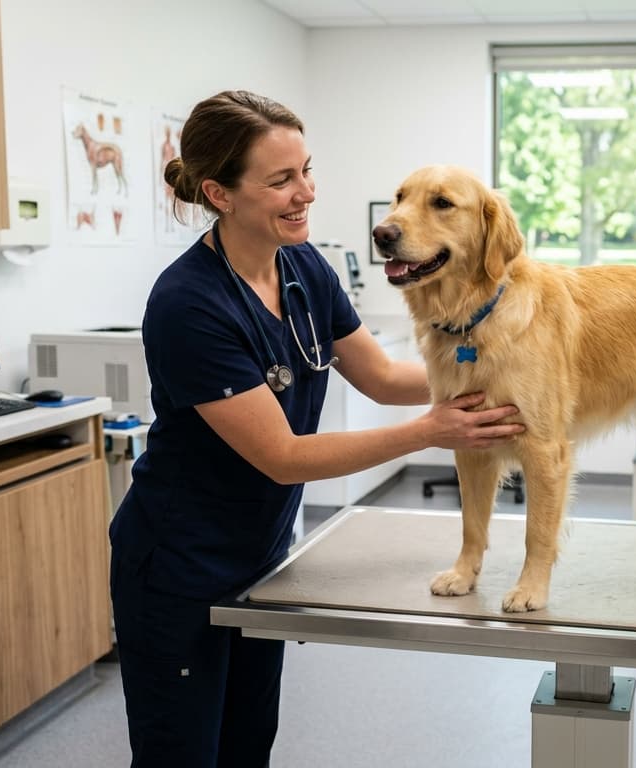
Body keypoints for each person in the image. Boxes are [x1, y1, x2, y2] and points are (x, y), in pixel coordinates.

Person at [108, 90, 525, 767]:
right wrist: (432, 430)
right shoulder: (190, 303)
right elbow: (282, 456)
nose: (306, 192)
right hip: (179, 566)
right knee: (182, 755)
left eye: (306, 169)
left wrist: (507, 372)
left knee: (247, 746)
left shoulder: (302, 265)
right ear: (220, 193)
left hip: (262, 555)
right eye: (281, 180)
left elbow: (384, 378)